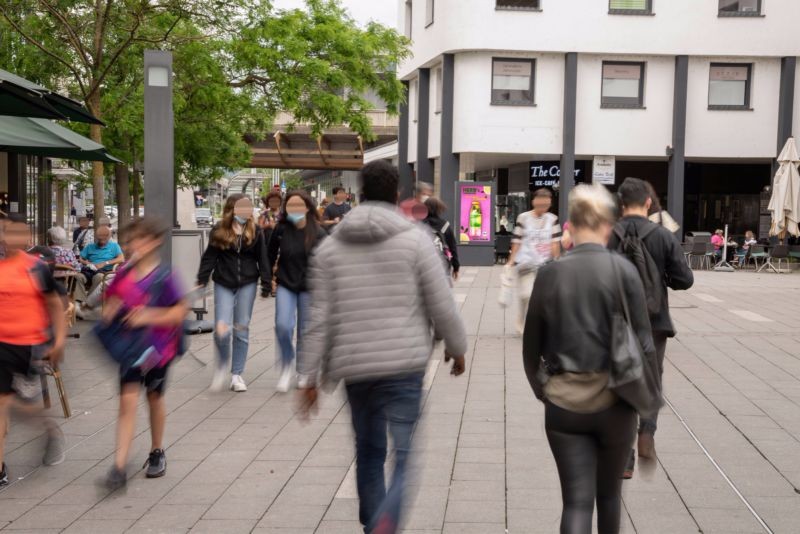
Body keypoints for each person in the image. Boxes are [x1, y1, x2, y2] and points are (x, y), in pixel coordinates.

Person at [298, 161, 467, 534]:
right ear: (396, 196)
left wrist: (307, 377)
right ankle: (383, 526)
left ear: (358, 195)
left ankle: (374, 522)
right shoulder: (416, 240)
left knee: (369, 453)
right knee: (404, 455)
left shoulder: (330, 249)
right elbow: (441, 302)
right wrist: (457, 347)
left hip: (355, 368)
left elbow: (318, 318)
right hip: (404, 364)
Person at [523, 184, 657, 534]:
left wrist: (545, 390)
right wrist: (648, 418)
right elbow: (645, 346)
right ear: (607, 225)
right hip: (615, 401)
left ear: (570, 223)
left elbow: (530, 346)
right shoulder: (624, 270)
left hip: (564, 404)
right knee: (609, 498)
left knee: (576, 502)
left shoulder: (550, 273)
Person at [608, 177, 694, 477]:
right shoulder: (663, 236)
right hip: (654, 322)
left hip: (617, 321)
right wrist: (663, 278)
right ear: (648, 202)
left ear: (621, 204)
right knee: (651, 380)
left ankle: (625, 458)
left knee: (619, 383)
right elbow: (685, 279)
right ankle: (647, 432)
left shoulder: (609, 235)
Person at [99, 216, 189, 490]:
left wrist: (148, 315)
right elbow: (110, 304)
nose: (134, 245)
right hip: (130, 349)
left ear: (155, 242)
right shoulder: (123, 275)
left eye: (140, 239)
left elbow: (179, 311)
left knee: (153, 397)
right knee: (127, 401)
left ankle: (157, 450)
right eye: (130, 240)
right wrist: (111, 312)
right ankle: (119, 465)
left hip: (159, 350)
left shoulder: (166, 276)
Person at [0, 214, 67, 485]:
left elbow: (55, 304)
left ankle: (47, 427)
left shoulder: (36, 268)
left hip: (26, 344)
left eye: (20, 233)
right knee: (3, 402)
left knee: (9, 403)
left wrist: (59, 340)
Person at [197, 194, 270, 393]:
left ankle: (236, 374)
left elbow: (262, 258)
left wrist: (266, 282)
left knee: (241, 328)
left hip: (247, 283)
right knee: (222, 328)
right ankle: (221, 366)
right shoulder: (219, 230)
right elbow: (209, 257)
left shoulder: (255, 231)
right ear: (232, 209)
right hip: (224, 283)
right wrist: (202, 280)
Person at [268, 190, 326, 392]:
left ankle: (303, 371)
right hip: (286, 283)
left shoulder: (318, 232)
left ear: (308, 207)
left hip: (310, 287)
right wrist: (268, 279)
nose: (293, 209)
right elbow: (269, 253)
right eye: (290, 205)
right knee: (283, 325)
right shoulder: (281, 229)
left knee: (305, 331)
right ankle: (286, 365)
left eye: (298, 205)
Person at [507, 188, 561, 334]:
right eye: (540, 204)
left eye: (546, 205)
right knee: (527, 294)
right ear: (534, 202)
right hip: (526, 262)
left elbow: (555, 241)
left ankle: (539, 325)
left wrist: (557, 260)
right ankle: (521, 318)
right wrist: (511, 261)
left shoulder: (552, 219)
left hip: (545, 264)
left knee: (543, 297)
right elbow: (517, 239)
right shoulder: (523, 218)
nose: (543, 208)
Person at [422, 197, 460, 282]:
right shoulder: (445, 225)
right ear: (439, 208)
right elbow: (452, 247)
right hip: (442, 264)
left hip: (424, 264)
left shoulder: (420, 224)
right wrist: (456, 267)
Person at [78, 225, 124, 294]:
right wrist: (86, 262)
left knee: (99, 277)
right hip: (90, 270)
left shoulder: (114, 246)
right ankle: (80, 300)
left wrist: (105, 263)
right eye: (100, 239)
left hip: (105, 271)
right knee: (78, 276)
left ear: (109, 237)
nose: (102, 241)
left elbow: (121, 259)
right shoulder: (90, 246)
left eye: (104, 239)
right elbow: (80, 258)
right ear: (97, 237)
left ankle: (89, 300)